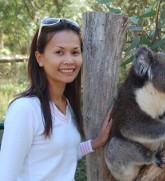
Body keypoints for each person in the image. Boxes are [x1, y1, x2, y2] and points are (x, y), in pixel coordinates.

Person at [0, 18, 112, 181]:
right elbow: (5, 175)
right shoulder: (25, 109)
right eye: (59, 52)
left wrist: (95, 143)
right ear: (40, 58)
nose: (69, 60)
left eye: (75, 52)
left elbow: (62, 153)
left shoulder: (67, 105)